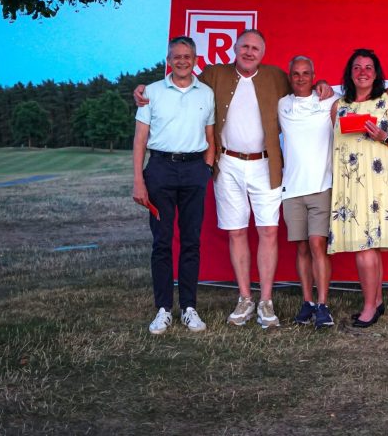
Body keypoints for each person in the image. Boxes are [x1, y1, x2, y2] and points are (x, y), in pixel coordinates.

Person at [134, 29, 332, 329]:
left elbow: (301, 87)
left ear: (263, 53)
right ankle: (244, 298)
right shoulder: (214, 75)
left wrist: (321, 84)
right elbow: (182, 82)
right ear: (235, 48)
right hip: (227, 164)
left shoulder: (277, 77)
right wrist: (141, 90)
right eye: (244, 47)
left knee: (268, 231)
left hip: (266, 165)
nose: (249, 52)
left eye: (255, 48)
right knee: (236, 232)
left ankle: (266, 301)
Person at [132, 36, 216, 335]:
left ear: (195, 59)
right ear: (169, 60)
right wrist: (139, 179)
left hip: (195, 169)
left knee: (191, 240)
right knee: (162, 242)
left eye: (187, 56)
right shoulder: (151, 93)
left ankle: (189, 307)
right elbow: (140, 139)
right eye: (176, 56)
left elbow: (210, 134)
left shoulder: (206, 93)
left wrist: (206, 167)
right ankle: (164, 309)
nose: (182, 61)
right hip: (160, 170)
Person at [328, 49, 388, 328]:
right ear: (350, 73)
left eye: (369, 67)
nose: (363, 72)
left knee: (366, 246)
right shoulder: (338, 106)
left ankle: (368, 307)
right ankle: (376, 300)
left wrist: (383, 135)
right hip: (350, 184)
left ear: (377, 73)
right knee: (368, 247)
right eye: (357, 67)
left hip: (377, 184)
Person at [278, 55, 336, 328]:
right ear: (290, 77)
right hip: (291, 189)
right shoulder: (282, 104)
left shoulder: (328, 100)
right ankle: (307, 303)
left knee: (317, 245)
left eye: (306, 73)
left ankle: (323, 305)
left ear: (314, 76)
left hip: (321, 186)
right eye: (296, 74)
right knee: (301, 247)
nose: (301, 78)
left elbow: (359, 100)